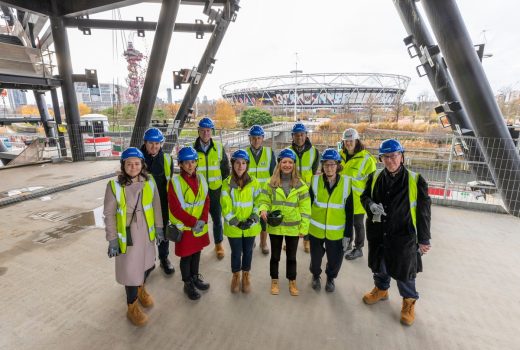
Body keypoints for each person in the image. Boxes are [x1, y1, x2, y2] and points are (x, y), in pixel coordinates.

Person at [360, 139, 432, 326]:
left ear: (402, 156)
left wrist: (424, 239)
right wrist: (371, 205)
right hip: (379, 232)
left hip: (403, 235)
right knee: (380, 265)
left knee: (404, 271)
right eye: (386, 157)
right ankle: (381, 289)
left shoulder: (415, 180)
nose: (390, 160)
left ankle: (409, 302)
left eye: (394, 156)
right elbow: (364, 196)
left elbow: (424, 212)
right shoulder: (375, 177)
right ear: (381, 158)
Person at [103, 147, 164, 326]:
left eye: (137, 163)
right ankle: (132, 307)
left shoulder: (149, 182)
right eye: (129, 164)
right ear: (123, 165)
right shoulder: (114, 186)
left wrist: (159, 228)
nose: (133, 167)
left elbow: (157, 207)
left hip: (146, 234)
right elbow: (109, 215)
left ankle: (141, 288)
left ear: (142, 164)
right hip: (128, 237)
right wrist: (112, 239)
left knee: (147, 266)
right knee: (130, 272)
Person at [259, 148, 311, 296]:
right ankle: (274, 280)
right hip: (275, 227)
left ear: (294, 164)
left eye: (290, 162)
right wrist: (263, 209)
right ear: (279, 164)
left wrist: (304, 228)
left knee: (292, 257)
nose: (287, 165)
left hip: (293, 228)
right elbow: (264, 200)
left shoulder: (301, 185)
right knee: (275, 256)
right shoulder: (271, 182)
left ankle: (292, 281)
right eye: (284, 162)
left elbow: (305, 208)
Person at [167, 146, 211, 300]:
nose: (190, 165)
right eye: (186, 162)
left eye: (193, 161)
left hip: (199, 225)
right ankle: (187, 284)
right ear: (180, 164)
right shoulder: (175, 182)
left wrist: (204, 219)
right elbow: (175, 209)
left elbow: (206, 199)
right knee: (186, 257)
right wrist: (194, 222)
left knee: (197, 253)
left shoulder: (202, 179)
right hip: (186, 227)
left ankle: (195, 278)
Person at [308, 148, 354, 293]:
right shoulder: (315, 181)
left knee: (335, 260)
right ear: (322, 165)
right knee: (315, 259)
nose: (329, 167)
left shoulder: (346, 183)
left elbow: (349, 211)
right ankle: (316, 276)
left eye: (332, 164)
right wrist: (305, 227)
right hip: (316, 230)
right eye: (326, 164)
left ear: (338, 166)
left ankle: (330, 278)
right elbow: (308, 206)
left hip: (336, 232)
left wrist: (348, 234)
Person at [221, 149, 262, 293]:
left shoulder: (254, 183)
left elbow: (259, 202)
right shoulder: (226, 184)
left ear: (247, 165)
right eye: (237, 163)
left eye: (243, 163)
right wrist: (236, 222)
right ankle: (235, 275)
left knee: (248, 251)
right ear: (232, 164)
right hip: (234, 227)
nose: (240, 166)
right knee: (236, 252)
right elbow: (225, 207)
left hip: (250, 227)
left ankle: (246, 275)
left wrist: (252, 219)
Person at [193, 117, 230, 260]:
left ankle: (219, 244)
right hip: (198, 192)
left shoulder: (219, 148)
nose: (206, 133)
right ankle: (197, 245)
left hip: (215, 191)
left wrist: (223, 189)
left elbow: (225, 170)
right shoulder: (192, 149)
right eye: (203, 130)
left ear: (212, 132)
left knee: (217, 220)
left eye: (208, 130)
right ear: (198, 131)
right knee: (197, 220)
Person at [140, 127, 175, 275]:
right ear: (145, 143)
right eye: (151, 143)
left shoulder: (167, 159)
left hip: (162, 203)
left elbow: (169, 180)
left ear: (161, 144)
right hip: (144, 205)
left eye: (157, 143)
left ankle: (164, 258)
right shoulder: (138, 159)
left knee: (163, 233)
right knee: (146, 234)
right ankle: (148, 263)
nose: (154, 147)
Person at [339, 128, 377, 261]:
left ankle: (359, 248)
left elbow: (372, 181)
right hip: (343, 197)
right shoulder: (340, 155)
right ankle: (348, 243)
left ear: (356, 141)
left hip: (359, 198)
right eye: (346, 141)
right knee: (346, 222)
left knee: (357, 223)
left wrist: (371, 199)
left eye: (351, 141)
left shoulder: (366, 158)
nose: (348, 143)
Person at [246, 125, 276, 255]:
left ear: (263, 138)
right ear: (250, 139)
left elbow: (274, 175)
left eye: (259, 138)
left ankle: (263, 243)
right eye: (253, 138)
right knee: (250, 217)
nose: (256, 140)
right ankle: (251, 240)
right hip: (248, 193)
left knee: (264, 219)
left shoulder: (269, 153)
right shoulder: (244, 153)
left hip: (264, 194)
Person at [290, 122, 320, 253]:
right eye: (296, 135)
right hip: (292, 190)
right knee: (292, 215)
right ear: (292, 136)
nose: (299, 137)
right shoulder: (288, 151)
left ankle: (306, 241)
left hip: (308, 190)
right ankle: (292, 240)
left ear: (306, 135)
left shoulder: (314, 152)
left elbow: (314, 172)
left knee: (306, 216)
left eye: (302, 134)